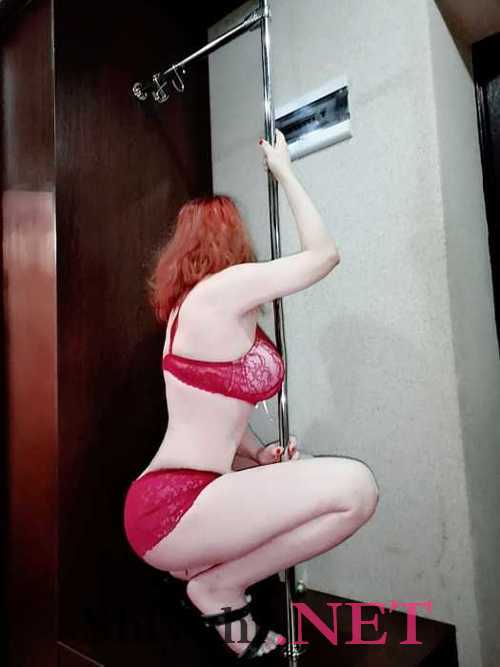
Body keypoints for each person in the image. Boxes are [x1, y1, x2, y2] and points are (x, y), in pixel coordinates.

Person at [123, 129, 380, 660]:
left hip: (175, 501)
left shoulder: (186, 314)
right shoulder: (219, 291)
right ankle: (220, 587)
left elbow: (212, 416)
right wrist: (285, 171)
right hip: (180, 503)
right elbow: (323, 255)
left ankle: (227, 608)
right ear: (230, 240)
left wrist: (258, 454)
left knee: (328, 483)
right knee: (357, 489)